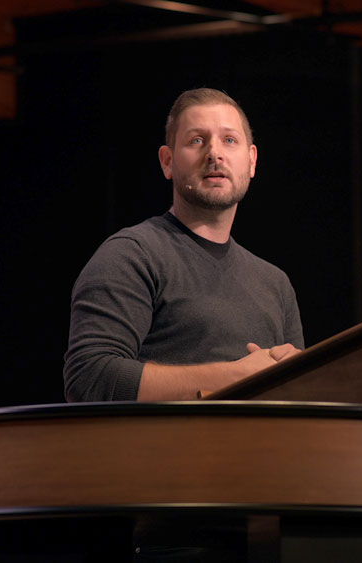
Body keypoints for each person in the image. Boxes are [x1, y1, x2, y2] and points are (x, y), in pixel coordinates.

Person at [63, 88, 304, 402]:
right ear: (167, 162)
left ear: (252, 161)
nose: (214, 153)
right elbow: (89, 379)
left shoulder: (275, 283)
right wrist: (236, 375)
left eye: (229, 140)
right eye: (197, 140)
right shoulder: (132, 254)